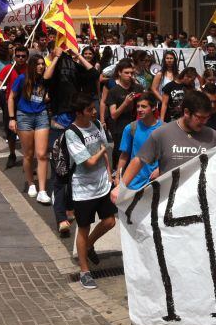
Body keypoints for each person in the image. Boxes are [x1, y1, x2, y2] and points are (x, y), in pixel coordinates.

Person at [114, 90, 216, 200]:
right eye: (199, 117)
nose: (204, 122)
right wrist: (121, 187)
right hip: (169, 202)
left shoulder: (213, 136)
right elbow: (139, 160)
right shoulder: (162, 133)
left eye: (207, 118)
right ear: (186, 112)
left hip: (201, 201)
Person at [44, 48, 100, 236]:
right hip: (60, 124)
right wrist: (57, 56)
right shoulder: (52, 68)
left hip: (76, 127)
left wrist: (79, 56)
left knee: (74, 170)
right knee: (59, 173)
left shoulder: (77, 68)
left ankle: (69, 207)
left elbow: (93, 73)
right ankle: (61, 218)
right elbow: (45, 78)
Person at [66, 94, 116, 290]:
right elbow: (88, 162)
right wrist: (101, 153)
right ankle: (84, 271)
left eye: (94, 109)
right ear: (79, 113)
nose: (94, 112)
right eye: (90, 110)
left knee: (110, 221)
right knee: (83, 228)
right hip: (83, 188)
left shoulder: (96, 124)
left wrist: (110, 175)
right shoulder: (72, 133)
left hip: (102, 184)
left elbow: (104, 151)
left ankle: (88, 246)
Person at [8, 54, 51, 204]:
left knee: (42, 154)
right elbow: (11, 98)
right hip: (24, 117)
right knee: (28, 154)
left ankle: (43, 190)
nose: (41, 66)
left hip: (41, 116)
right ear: (32, 65)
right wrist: (12, 119)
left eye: (43, 64)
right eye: (38, 64)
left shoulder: (45, 79)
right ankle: (31, 183)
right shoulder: (22, 78)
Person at [0, 46, 31, 169]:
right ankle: (12, 154)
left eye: (23, 56)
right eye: (18, 56)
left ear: (27, 57)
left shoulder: (30, 69)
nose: (20, 58)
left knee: (27, 133)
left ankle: (28, 159)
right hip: (11, 104)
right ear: (14, 56)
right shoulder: (8, 69)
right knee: (10, 132)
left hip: (27, 104)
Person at [116, 93, 161, 191]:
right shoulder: (130, 128)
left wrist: (159, 170)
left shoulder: (164, 128)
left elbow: (169, 155)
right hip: (134, 183)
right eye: (138, 106)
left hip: (157, 181)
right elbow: (124, 155)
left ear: (153, 108)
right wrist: (117, 177)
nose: (139, 110)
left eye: (144, 106)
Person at [106, 59, 144, 166]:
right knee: (121, 154)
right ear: (119, 73)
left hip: (138, 126)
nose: (129, 75)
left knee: (136, 153)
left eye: (131, 73)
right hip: (120, 128)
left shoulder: (138, 88)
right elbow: (113, 115)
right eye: (126, 73)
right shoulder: (114, 91)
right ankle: (117, 176)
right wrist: (125, 103)